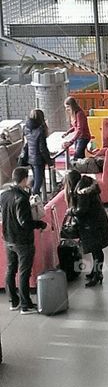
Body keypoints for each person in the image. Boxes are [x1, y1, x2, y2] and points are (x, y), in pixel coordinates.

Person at [1, 168, 47, 314]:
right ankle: (26, 305)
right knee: (24, 272)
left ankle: (14, 301)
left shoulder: (4, 195)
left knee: (10, 270)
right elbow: (25, 222)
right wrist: (40, 224)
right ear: (24, 179)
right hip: (22, 241)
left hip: (8, 238)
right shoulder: (22, 198)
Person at [63, 172, 108, 288]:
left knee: (96, 250)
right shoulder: (87, 186)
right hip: (96, 222)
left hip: (92, 225)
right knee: (97, 250)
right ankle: (96, 272)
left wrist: (70, 211)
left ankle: (97, 274)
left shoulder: (82, 193)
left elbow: (81, 210)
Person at [21, 112, 53, 201]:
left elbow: (27, 143)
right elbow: (42, 148)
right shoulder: (40, 130)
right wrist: (50, 162)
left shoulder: (26, 127)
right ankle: (32, 200)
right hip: (38, 159)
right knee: (38, 182)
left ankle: (32, 195)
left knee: (35, 179)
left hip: (30, 157)